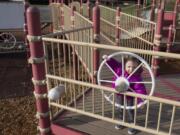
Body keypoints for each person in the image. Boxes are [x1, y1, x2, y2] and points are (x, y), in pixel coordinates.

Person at [103, 55, 147, 135]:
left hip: (129, 96)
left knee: (130, 109)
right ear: (124, 65)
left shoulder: (136, 78)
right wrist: (108, 59)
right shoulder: (120, 69)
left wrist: (142, 101)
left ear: (138, 67)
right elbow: (114, 64)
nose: (131, 69)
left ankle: (132, 124)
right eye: (129, 66)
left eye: (134, 67)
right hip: (119, 93)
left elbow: (141, 90)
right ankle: (121, 121)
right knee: (119, 107)